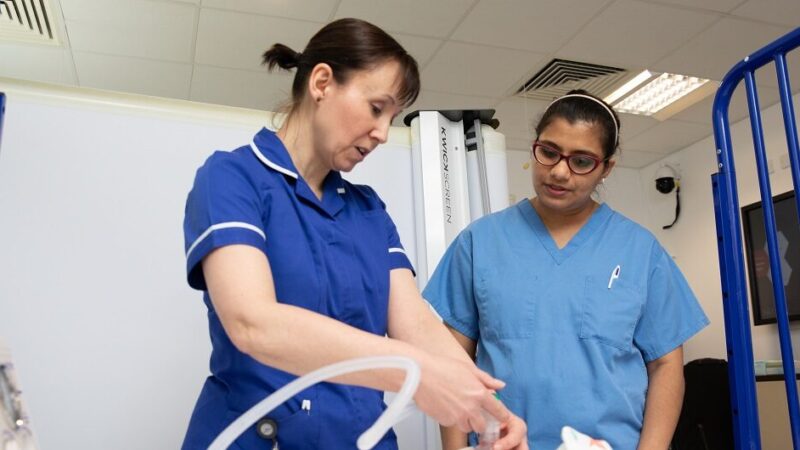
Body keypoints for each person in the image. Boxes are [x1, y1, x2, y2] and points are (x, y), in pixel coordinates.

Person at [181, 18, 528, 450]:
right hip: (255, 436)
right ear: (322, 82)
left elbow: (415, 324)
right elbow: (255, 323)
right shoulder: (233, 178)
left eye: (392, 117)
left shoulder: (367, 210)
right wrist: (416, 371)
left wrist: (489, 405)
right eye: (376, 108)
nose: (383, 133)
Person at [423, 90, 710, 450]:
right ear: (535, 147)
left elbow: (666, 365)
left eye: (582, 161)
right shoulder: (480, 242)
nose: (559, 172)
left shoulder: (639, 250)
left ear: (606, 168)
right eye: (549, 152)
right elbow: (453, 359)